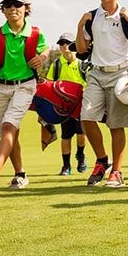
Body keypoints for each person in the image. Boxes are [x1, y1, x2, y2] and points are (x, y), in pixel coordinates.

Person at [75, 0, 128, 188]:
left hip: (121, 74)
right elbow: (81, 49)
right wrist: (80, 25)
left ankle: (117, 172)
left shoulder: (127, 15)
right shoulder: (92, 16)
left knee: (116, 125)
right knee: (87, 118)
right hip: (97, 73)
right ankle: (102, 160)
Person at [0, 0, 48, 192]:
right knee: (9, 132)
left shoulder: (35, 33)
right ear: (3, 10)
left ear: (26, 9)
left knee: (8, 126)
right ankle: (20, 174)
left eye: (17, 5)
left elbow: (45, 48)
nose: (13, 8)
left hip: (25, 86)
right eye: (8, 5)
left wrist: (42, 57)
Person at [45, 32, 87, 176]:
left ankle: (80, 156)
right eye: (61, 44)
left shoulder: (82, 63)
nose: (64, 46)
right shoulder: (56, 64)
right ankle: (66, 165)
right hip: (64, 106)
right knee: (66, 135)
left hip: (81, 104)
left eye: (67, 43)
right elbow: (50, 85)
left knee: (81, 133)